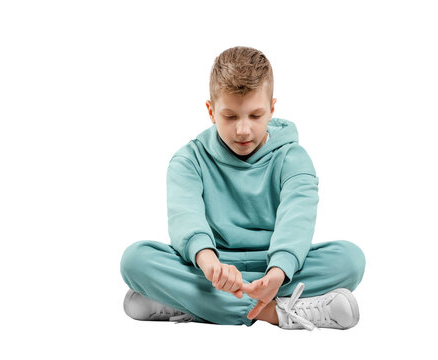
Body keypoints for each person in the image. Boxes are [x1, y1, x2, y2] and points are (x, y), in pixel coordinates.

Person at [119, 46, 366, 330]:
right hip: (211, 267)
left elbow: (297, 221)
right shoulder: (188, 160)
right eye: (231, 116)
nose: (243, 130)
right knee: (135, 260)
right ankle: (279, 313)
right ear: (211, 111)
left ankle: (190, 303)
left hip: (277, 267)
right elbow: (185, 219)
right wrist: (210, 264)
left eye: (255, 115)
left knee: (350, 259)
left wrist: (277, 273)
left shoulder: (293, 158)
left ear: (272, 109)